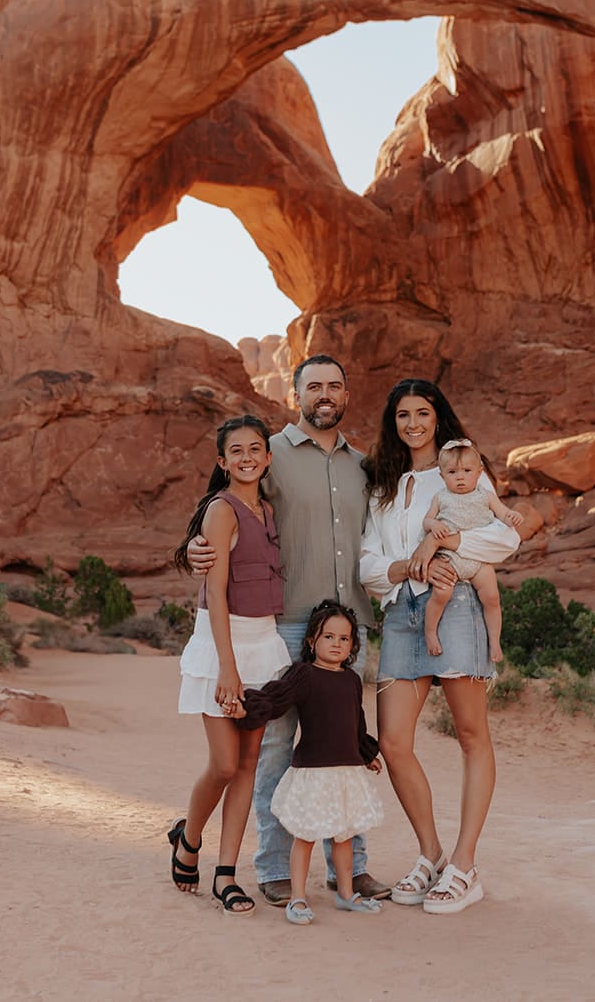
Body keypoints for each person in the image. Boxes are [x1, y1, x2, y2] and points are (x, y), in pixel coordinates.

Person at [188, 355, 391, 906]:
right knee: (275, 751)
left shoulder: (364, 466)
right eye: (314, 386)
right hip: (282, 627)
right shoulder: (267, 452)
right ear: (296, 394)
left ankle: (350, 868)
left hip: (347, 629)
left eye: (335, 385)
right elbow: (219, 508)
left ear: (347, 394)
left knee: (343, 747)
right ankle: (275, 866)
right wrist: (193, 548)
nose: (325, 393)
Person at [359, 379, 520, 915]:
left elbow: (504, 538)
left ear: (437, 415)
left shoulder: (461, 467)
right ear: (393, 422)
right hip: (401, 612)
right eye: (402, 414)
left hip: (456, 607)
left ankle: (465, 864)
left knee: (472, 734)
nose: (413, 423)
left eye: (422, 412)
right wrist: (400, 568)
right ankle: (430, 855)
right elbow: (367, 560)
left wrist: (449, 545)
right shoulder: (383, 483)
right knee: (394, 740)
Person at [166, 415, 289, 918]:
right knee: (223, 764)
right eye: (235, 451)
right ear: (222, 461)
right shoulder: (222, 510)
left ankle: (226, 876)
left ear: (267, 457)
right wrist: (227, 669)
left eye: (255, 449)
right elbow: (214, 592)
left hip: (265, 642)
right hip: (224, 644)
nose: (245, 457)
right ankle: (189, 837)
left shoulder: (266, 509)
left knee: (247, 767)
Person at [230, 600, 387, 925]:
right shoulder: (304, 675)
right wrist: (247, 707)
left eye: (344, 639)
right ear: (311, 641)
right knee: (305, 836)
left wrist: (367, 753)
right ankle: (298, 898)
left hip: (345, 773)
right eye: (328, 637)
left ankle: (346, 893)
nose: (336, 644)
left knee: (343, 836)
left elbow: (355, 723)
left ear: (353, 645)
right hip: (313, 774)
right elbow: (277, 697)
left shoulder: (351, 681)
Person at [415, 438, 524, 662]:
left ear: (479, 472)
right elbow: (426, 521)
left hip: (478, 556)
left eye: (467, 470)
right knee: (441, 594)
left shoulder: (486, 496)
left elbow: (502, 514)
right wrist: (434, 525)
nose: (460, 477)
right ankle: (430, 633)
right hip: (449, 556)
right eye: (452, 472)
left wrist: (511, 516)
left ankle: (494, 641)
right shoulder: (441, 497)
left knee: (492, 598)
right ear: (442, 475)